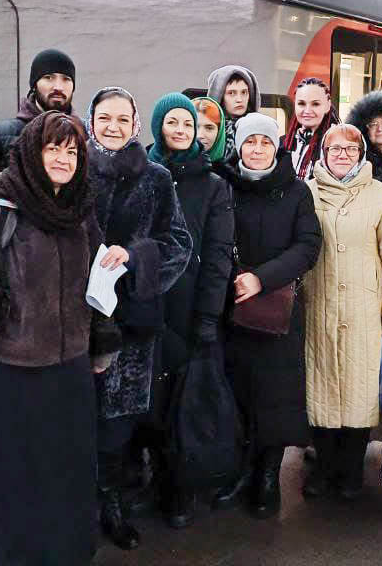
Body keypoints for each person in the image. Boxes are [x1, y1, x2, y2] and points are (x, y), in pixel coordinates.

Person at [0, 111, 120, 566]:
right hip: (7, 370)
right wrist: (2, 314)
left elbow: (94, 278)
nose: (62, 159)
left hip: (69, 367)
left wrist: (100, 337)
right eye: (52, 148)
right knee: (12, 478)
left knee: (66, 472)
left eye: (72, 151)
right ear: (31, 153)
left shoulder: (79, 207)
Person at [86, 87, 192, 550]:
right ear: (91, 121)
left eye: (121, 119)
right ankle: (74, 506)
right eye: (104, 118)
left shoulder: (156, 178)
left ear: (134, 124)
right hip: (72, 320)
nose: (113, 126)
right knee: (72, 419)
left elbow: (180, 243)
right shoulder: (71, 169)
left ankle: (112, 505)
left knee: (118, 423)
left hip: (131, 323)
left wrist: (134, 257)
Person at [212, 113, 320, 519]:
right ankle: (241, 470)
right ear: (238, 145)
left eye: (265, 142)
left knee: (275, 397)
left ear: (277, 146)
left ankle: (268, 476)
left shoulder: (296, 191)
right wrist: (231, 281)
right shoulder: (223, 185)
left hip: (278, 311)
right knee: (237, 390)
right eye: (250, 142)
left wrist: (262, 278)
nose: (257, 149)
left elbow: (308, 245)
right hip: (232, 306)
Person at [302, 124, 382, 500]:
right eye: (335, 149)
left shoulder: (378, 193)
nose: (343, 155)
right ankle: (323, 469)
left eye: (351, 149)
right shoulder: (308, 192)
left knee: (360, 392)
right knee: (321, 390)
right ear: (324, 154)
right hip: (319, 306)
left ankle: (350, 472)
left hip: (364, 309)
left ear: (361, 154)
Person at [147, 93, 234, 529]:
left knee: (182, 400)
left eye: (188, 123)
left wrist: (207, 317)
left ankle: (179, 488)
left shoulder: (213, 184)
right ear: (158, 126)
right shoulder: (143, 173)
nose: (180, 130)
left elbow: (218, 257)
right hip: (146, 304)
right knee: (148, 398)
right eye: (172, 122)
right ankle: (150, 479)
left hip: (188, 307)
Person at [0, 48, 75, 179]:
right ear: (34, 85)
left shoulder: (85, 135)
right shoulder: (0, 135)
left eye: (66, 79)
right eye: (49, 78)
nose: (58, 87)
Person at [282, 77, 340, 180]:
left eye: (315, 104)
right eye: (301, 104)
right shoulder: (282, 144)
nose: (307, 110)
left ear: (327, 106)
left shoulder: (339, 147)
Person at [206, 65, 261, 162]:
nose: (239, 99)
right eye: (231, 93)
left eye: (244, 92)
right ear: (219, 96)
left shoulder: (260, 128)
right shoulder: (205, 129)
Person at [192, 96, 227, 164]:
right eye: (194, 127)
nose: (200, 135)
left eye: (209, 128)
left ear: (219, 132)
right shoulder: (170, 166)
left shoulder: (228, 171)